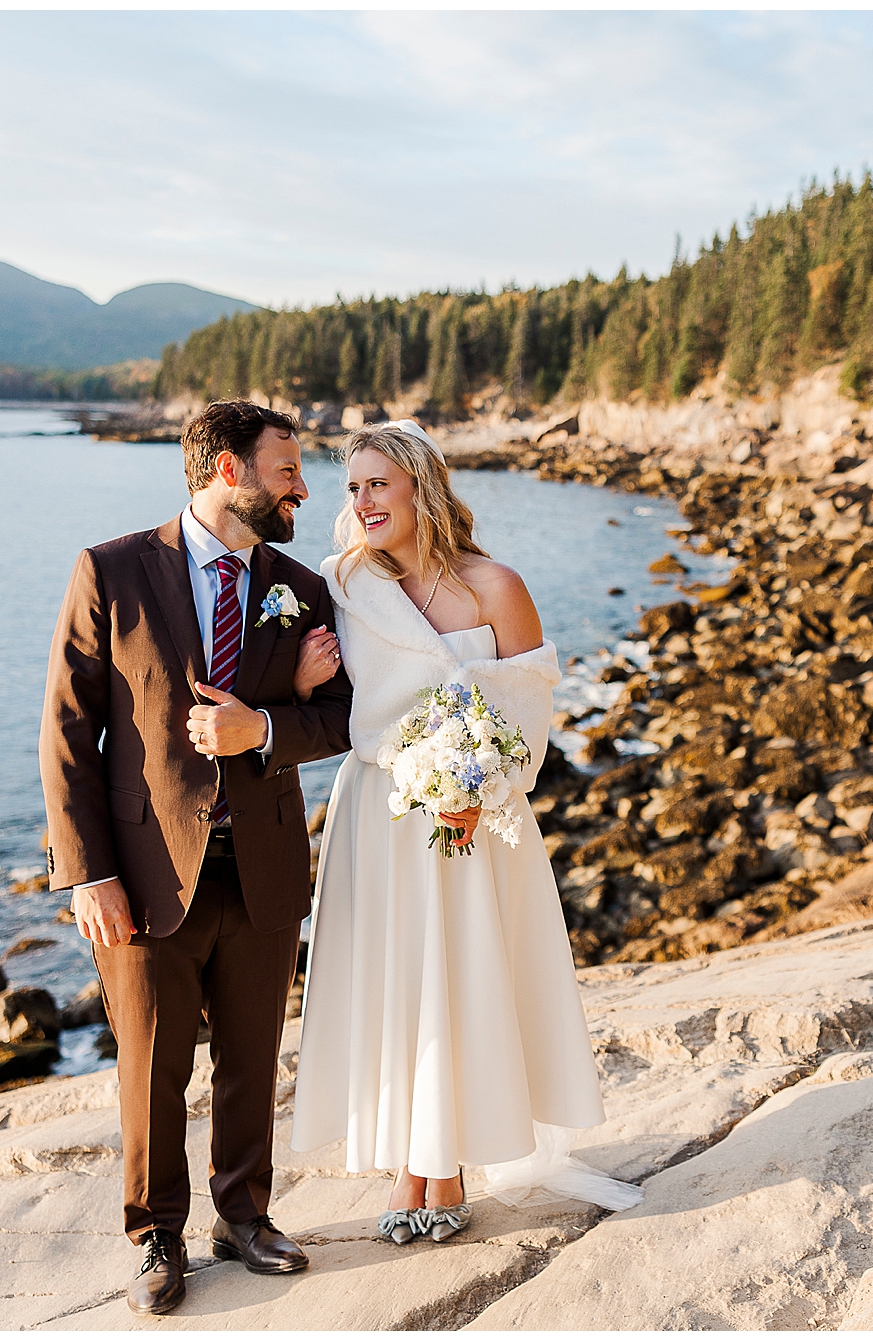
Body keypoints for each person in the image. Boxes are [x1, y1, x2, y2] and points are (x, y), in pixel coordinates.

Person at [288, 420, 640, 1243]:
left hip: (470, 820)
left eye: (378, 483)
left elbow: (530, 711)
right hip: (376, 816)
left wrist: (482, 789)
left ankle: (440, 1168)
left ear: (421, 485)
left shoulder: (496, 586)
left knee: (458, 981)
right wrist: (302, 683)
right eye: (353, 488)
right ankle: (413, 1160)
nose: (363, 501)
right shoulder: (345, 584)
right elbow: (321, 697)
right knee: (399, 987)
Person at [37, 400, 352, 1315]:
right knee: (151, 1062)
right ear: (228, 471)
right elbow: (67, 731)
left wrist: (263, 725)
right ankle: (155, 1233)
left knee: (253, 1055)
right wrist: (87, 872)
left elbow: (339, 719)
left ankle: (244, 1215)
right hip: (143, 874)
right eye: (285, 468)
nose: (301, 485)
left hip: (264, 866)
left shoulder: (303, 586)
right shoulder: (110, 571)